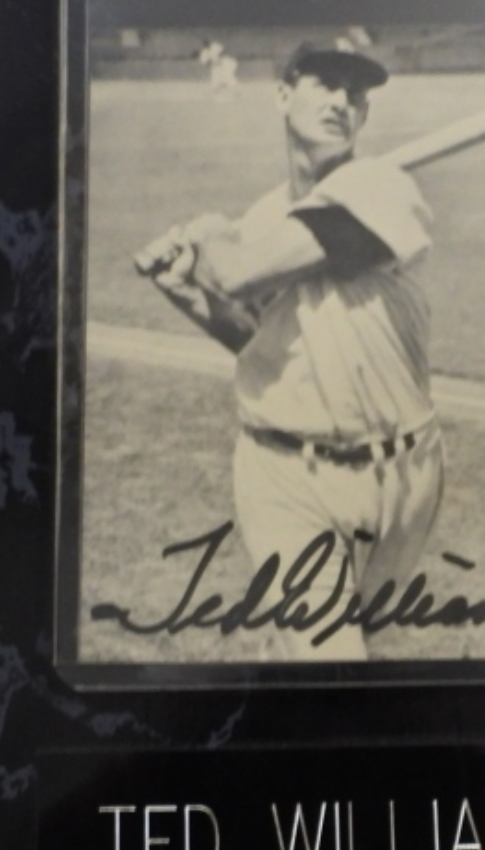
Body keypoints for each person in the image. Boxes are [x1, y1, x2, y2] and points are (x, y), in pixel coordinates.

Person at [134, 39, 444, 661]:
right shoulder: (266, 219)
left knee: (344, 656)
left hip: (406, 480)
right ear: (283, 95)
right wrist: (187, 293)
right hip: (284, 475)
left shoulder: (382, 189)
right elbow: (260, 342)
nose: (340, 101)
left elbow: (239, 272)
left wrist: (210, 237)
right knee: (334, 661)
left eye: (354, 93)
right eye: (324, 84)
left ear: (365, 115)